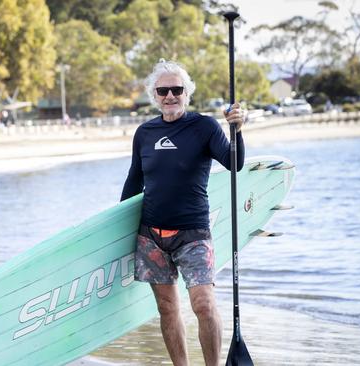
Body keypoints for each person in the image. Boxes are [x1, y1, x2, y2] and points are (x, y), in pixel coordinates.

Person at [120, 59, 245, 366]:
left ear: (187, 93)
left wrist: (238, 131)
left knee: (203, 304)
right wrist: (118, 230)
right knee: (167, 307)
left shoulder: (204, 127)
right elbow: (134, 180)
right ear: (154, 95)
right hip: (151, 235)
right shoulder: (144, 133)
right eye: (163, 90)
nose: (170, 96)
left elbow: (234, 163)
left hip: (193, 233)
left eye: (177, 89)